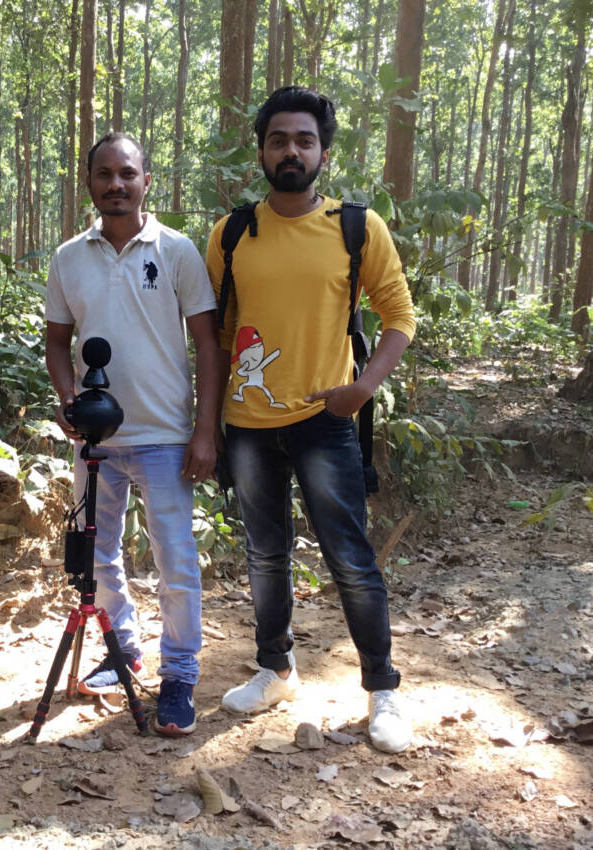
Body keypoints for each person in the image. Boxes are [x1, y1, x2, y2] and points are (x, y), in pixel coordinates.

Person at [206, 87, 416, 753]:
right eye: (278, 140)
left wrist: (363, 386)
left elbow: (398, 318)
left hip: (327, 420)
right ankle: (275, 669)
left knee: (350, 557)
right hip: (247, 423)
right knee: (265, 553)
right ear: (261, 151)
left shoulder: (357, 227)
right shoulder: (233, 232)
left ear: (323, 151)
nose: (290, 151)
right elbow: (212, 336)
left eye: (303, 140)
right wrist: (205, 424)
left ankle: (382, 692)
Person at [45, 133, 220, 736]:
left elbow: (206, 341)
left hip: (167, 434)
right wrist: (70, 401)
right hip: (96, 439)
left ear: (148, 181)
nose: (115, 184)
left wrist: (204, 428)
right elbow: (56, 342)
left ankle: (179, 676)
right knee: (97, 553)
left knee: (176, 559)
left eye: (127, 173)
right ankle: (121, 648)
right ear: (88, 181)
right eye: (103, 174)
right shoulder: (69, 257)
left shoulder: (176, 251)